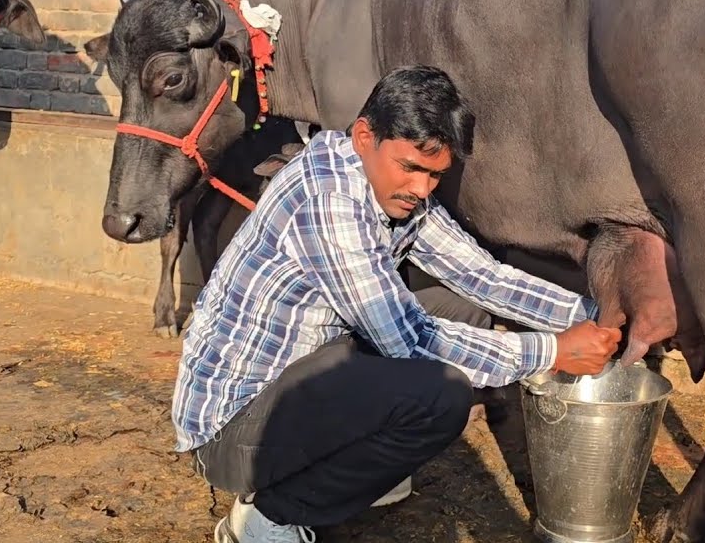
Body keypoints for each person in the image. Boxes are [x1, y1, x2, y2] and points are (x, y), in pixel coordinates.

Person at [171, 65, 623, 543]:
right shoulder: (329, 201)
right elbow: (408, 340)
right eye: (411, 168)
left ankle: (353, 467)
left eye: (435, 175)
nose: (421, 190)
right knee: (439, 395)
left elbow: (481, 276)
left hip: (301, 375)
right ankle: (270, 516)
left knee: (461, 308)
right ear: (365, 135)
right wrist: (552, 352)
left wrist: (597, 317)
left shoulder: (385, 185)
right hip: (233, 432)